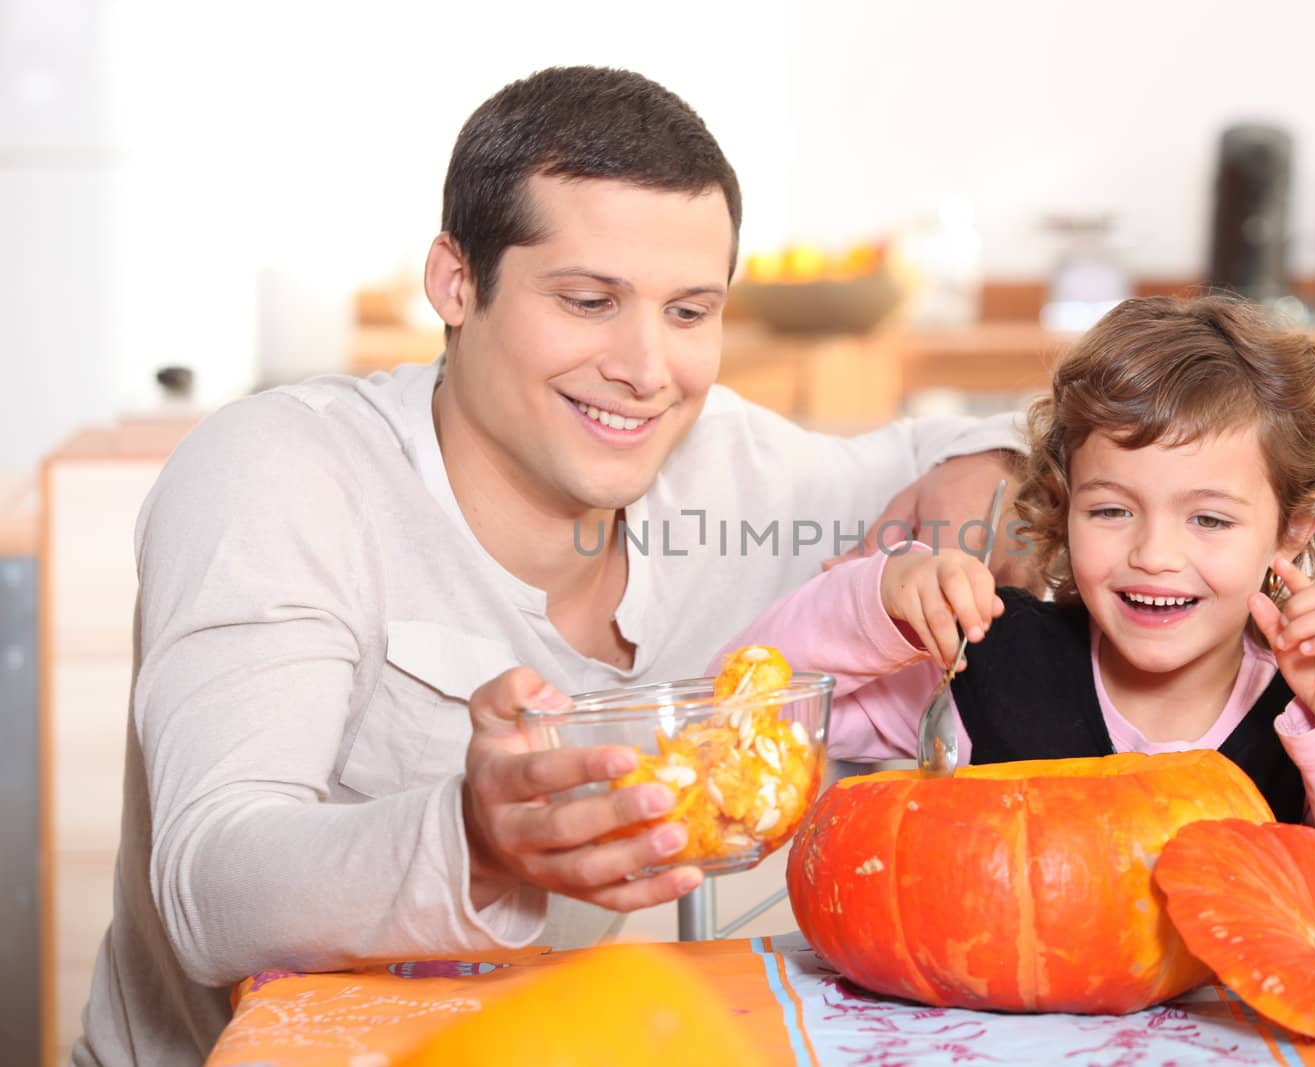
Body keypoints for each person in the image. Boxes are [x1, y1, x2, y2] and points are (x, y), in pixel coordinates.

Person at [76, 66, 1025, 1067]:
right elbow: (208, 887)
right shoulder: (280, 474)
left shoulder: (734, 464)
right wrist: (473, 837)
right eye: (588, 300)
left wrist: (988, 470)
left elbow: (1012, 443)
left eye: (690, 312)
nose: (648, 369)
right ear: (454, 281)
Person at [716, 295, 1315, 910]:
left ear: (1294, 527)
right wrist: (877, 599)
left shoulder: (1314, 724)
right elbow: (741, 719)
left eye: (1208, 518)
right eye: (1111, 510)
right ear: (1063, 501)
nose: (1153, 554)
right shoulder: (984, 660)